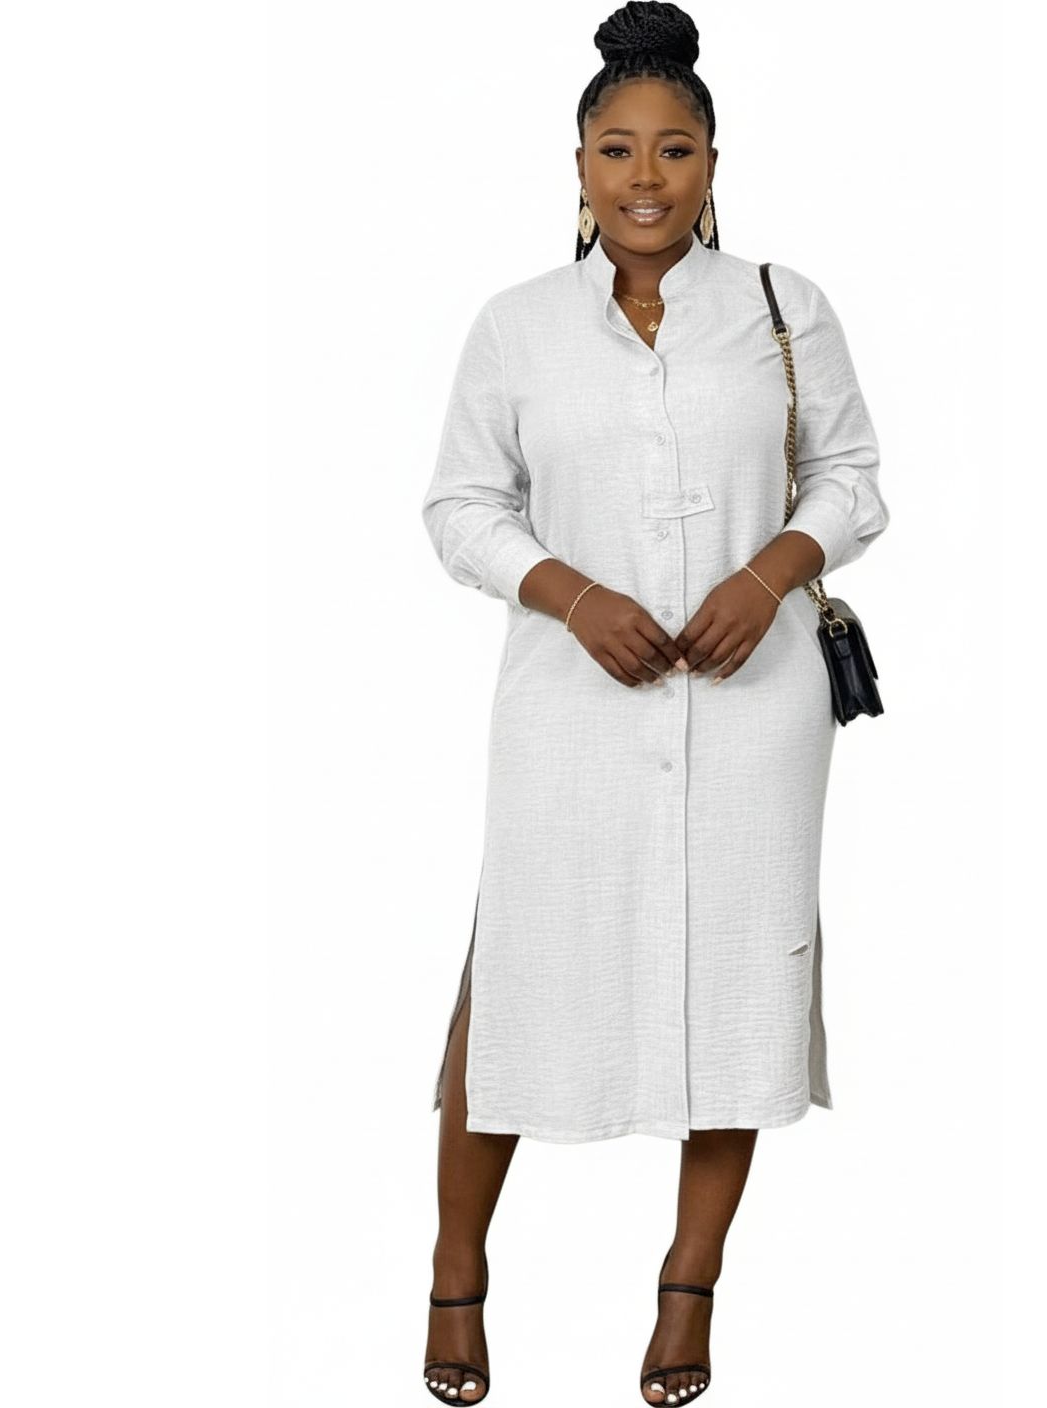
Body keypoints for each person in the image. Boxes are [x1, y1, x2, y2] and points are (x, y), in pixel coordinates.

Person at [417, 3, 889, 1401]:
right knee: (516, 975)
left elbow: (852, 479)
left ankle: (689, 1291)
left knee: (739, 979)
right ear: (577, 165)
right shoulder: (516, 327)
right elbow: (460, 506)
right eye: (616, 148)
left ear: (712, 162)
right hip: (567, 714)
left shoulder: (784, 309)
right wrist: (569, 593)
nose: (645, 176)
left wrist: (769, 574)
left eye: (673, 149)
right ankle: (456, 1272)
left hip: (755, 711)